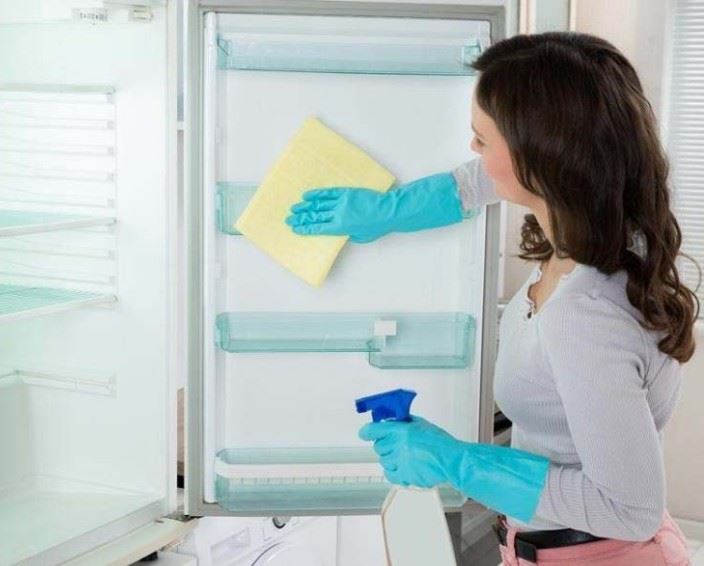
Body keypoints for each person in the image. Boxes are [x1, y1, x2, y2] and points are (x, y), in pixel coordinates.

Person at [286, 32, 698, 565]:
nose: (473, 149)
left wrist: (455, 461)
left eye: (483, 137)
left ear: (540, 157)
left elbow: (629, 508)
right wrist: (388, 211)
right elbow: (474, 183)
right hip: (558, 549)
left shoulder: (586, 315)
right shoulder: (606, 223)